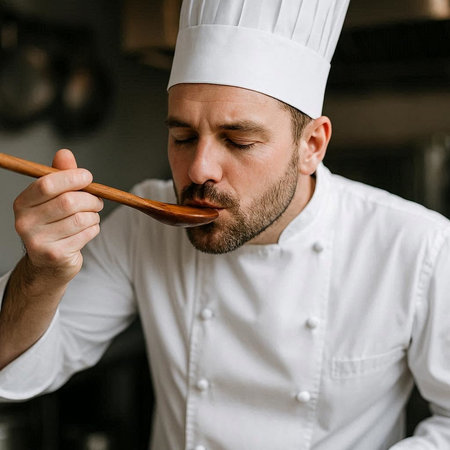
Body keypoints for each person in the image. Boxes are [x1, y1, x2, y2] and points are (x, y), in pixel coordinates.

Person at [1, 0, 450, 449]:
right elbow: (15, 365)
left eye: (238, 140)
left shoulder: (417, 247)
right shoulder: (145, 226)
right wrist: (42, 272)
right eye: (182, 137)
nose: (198, 170)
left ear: (311, 145)